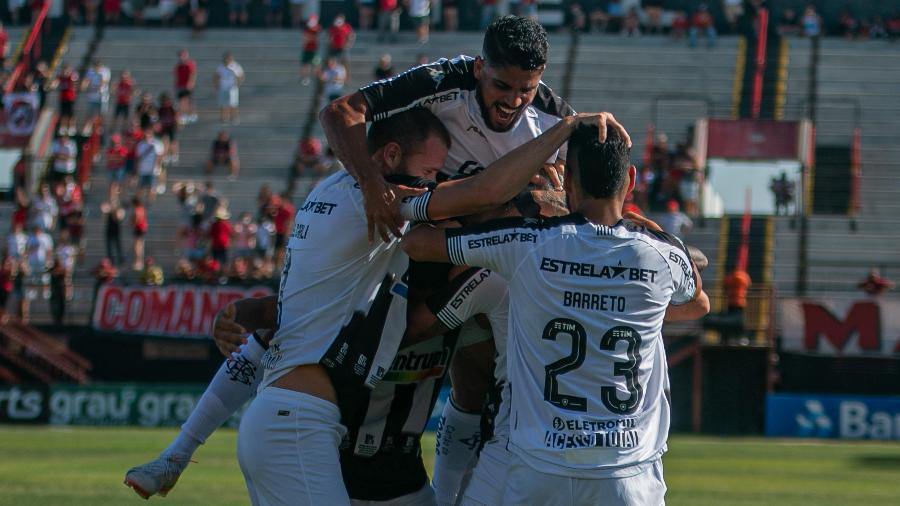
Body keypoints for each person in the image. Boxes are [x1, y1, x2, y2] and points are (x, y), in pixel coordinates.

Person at [403, 125, 709, 505]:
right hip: (627, 473)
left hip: (539, 466)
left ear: (569, 186)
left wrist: (417, 204)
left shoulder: (526, 242)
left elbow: (416, 244)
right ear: (630, 180)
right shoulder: (659, 253)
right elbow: (698, 301)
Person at [320, 15, 629, 244]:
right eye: (502, 86)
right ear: (479, 68)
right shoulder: (443, 80)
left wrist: (558, 186)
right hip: (414, 230)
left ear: (541, 77)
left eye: (527, 89)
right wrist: (372, 183)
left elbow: (596, 204)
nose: (514, 100)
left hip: (490, 246)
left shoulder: (555, 118)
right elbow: (340, 111)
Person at [80, 59, 111, 133]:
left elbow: (104, 82)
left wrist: (96, 87)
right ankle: (87, 128)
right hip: (92, 97)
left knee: (101, 113)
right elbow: (86, 80)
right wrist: (83, 86)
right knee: (89, 113)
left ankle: (100, 127)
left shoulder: (105, 71)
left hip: (102, 97)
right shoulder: (90, 71)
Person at [214, 52, 244, 124]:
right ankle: (223, 118)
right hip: (223, 87)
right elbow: (216, 76)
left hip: (232, 88)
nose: (227, 60)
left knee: (233, 104)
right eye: (226, 58)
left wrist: (238, 84)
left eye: (229, 58)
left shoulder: (235, 66)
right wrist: (216, 85)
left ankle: (234, 117)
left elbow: (241, 75)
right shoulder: (221, 67)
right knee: (222, 103)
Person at [53, 64, 79, 135]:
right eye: (63, 70)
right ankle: (63, 128)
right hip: (63, 98)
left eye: (66, 70)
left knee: (71, 114)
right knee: (63, 114)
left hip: (70, 98)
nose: (65, 72)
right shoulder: (60, 77)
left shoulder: (71, 77)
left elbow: (74, 83)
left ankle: (71, 128)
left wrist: (70, 76)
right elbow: (55, 83)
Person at [175, 49, 197, 124]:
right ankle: (184, 114)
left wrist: (190, 83)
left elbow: (192, 74)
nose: (181, 58)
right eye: (180, 56)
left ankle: (191, 114)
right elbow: (177, 76)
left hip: (187, 85)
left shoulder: (189, 64)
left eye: (183, 56)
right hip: (180, 85)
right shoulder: (179, 65)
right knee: (182, 101)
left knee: (187, 100)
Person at [299, 15, 321, 86]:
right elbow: (305, 38)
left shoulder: (317, 28)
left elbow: (316, 38)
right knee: (305, 65)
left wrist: (310, 37)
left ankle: (316, 78)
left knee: (316, 64)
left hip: (314, 50)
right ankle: (305, 78)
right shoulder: (306, 29)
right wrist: (310, 37)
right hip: (307, 49)